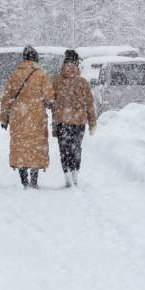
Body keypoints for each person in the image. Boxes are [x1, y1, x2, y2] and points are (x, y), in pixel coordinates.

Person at [0, 46, 54, 189]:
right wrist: (50, 104)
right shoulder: (41, 74)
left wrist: (4, 118)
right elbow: (49, 98)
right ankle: (34, 179)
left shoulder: (14, 75)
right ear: (35, 58)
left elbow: (7, 98)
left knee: (20, 145)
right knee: (37, 146)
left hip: (18, 116)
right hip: (37, 116)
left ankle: (23, 179)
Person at [51, 49, 97, 187]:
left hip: (62, 121)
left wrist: (56, 107)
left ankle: (67, 175)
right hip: (79, 121)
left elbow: (50, 101)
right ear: (77, 63)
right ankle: (75, 173)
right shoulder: (82, 82)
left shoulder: (56, 80)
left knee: (63, 149)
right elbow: (89, 104)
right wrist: (92, 122)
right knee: (76, 148)